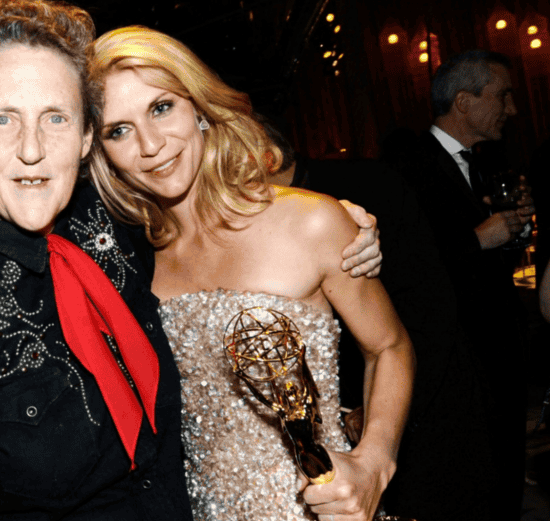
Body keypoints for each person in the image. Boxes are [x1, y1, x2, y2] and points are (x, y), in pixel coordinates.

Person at [0, 2, 380, 519]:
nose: (32, 149)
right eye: (4, 120)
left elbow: (218, 206)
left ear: (83, 139)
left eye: (55, 118)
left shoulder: (116, 231)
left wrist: (341, 223)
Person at [89, 26, 414, 521]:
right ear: (102, 154)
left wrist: (374, 462)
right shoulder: (130, 265)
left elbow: (389, 346)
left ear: (197, 106)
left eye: (161, 108)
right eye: (118, 130)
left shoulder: (310, 220)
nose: (150, 144)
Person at [266, 118, 495, 521]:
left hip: (423, 398)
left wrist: (376, 416)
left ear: (264, 156)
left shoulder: (362, 188)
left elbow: (424, 306)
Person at [395, 49, 532, 520]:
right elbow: (402, 269)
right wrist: (479, 238)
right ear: (465, 101)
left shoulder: (486, 164)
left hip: (500, 351)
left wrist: (515, 233)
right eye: (503, 95)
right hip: (455, 364)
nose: (512, 109)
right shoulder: (407, 168)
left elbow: (490, 260)